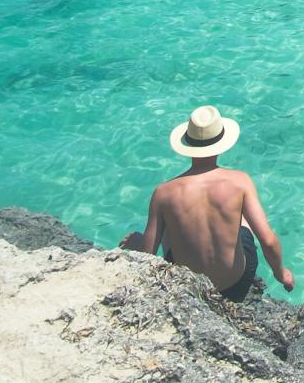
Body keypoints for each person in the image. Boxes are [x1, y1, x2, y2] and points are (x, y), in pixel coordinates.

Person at [121, 105, 294, 299]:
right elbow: (268, 242)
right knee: (242, 219)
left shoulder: (163, 193)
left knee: (169, 224)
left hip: (190, 287)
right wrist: (282, 274)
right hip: (236, 285)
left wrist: (141, 244)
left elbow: (148, 256)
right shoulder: (240, 181)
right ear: (221, 141)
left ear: (188, 143)